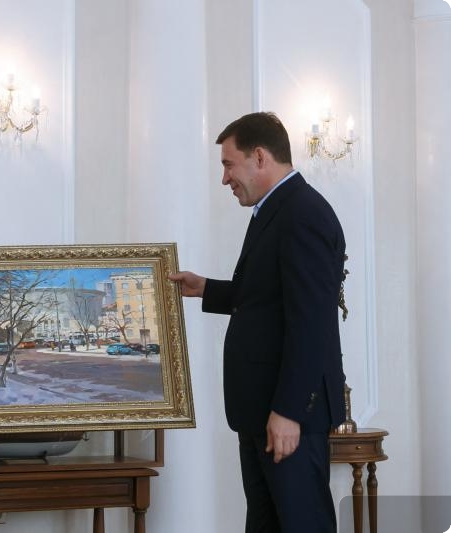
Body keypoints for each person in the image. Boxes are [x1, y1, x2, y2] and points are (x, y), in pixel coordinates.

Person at [170, 112, 346, 533]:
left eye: (229, 164)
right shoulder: (277, 210)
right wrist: (205, 288)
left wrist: (288, 412)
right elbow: (268, 298)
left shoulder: (303, 214)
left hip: (286, 414)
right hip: (261, 410)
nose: (225, 179)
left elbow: (311, 325)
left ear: (260, 157)